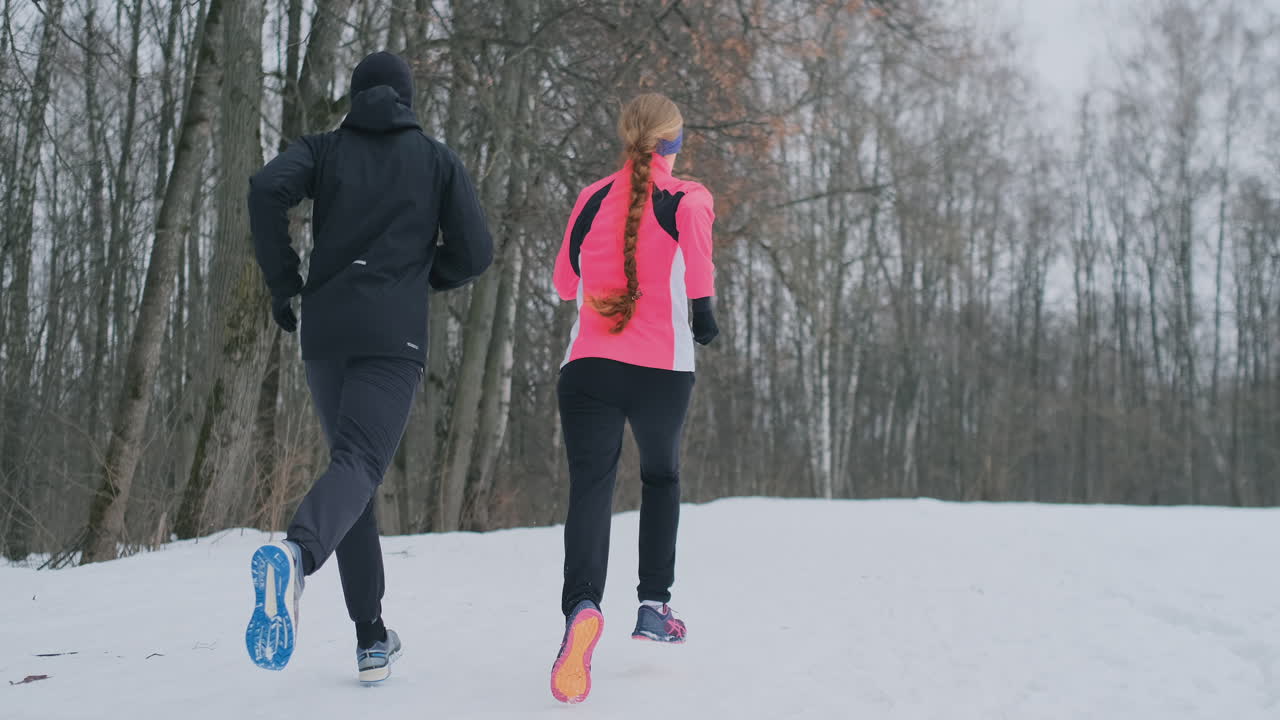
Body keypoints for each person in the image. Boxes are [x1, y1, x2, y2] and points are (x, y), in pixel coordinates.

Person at [243, 51, 492, 682]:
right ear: (408, 100)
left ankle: (371, 636)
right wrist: (421, 278)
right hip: (391, 339)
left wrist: (283, 282)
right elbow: (476, 251)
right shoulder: (435, 160)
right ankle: (296, 556)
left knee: (352, 473)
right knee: (357, 466)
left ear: (356, 96)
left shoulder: (324, 149)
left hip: (326, 333)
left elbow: (266, 187)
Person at [548, 93, 719, 704]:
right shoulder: (687, 197)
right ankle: (653, 606)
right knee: (660, 477)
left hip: (589, 366)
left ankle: (581, 609)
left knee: (591, 487)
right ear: (674, 143)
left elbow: (563, 282)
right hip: (661, 371)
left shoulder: (592, 197)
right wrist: (703, 307)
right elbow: (698, 244)